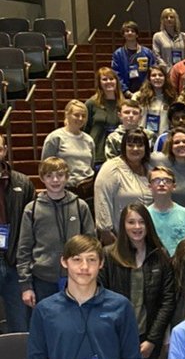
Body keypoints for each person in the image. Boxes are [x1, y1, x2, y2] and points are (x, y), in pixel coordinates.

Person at [99, 203, 175, 359]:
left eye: (141, 221)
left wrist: (152, 339)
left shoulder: (160, 256)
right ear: (123, 225)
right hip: (115, 337)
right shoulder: (108, 256)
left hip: (147, 339)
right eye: (131, 222)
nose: (137, 227)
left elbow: (167, 301)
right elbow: (100, 298)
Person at [17, 157, 94, 308]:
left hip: (77, 277)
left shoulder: (80, 206)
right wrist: (26, 286)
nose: (55, 180)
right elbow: (24, 250)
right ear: (42, 178)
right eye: (49, 176)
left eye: (59, 175)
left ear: (67, 177)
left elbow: (92, 244)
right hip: (43, 279)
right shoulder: (32, 210)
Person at [0, 134, 36, 332]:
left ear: (4, 151)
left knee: (20, 326)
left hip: (13, 261)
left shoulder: (23, 183)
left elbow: (33, 225)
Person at [93, 131, 154, 240]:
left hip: (146, 235)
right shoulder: (112, 168)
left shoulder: (150, 168)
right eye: (130, 145)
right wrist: (105, 231)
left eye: (140, 145)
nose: (135, 149)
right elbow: (102, 199)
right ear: (123, 147)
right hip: (119, 237)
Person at [41, 100, 95, 193]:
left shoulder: (89, 140)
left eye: (84, 116)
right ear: (67, 115)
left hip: (88, 189)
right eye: (76, 115)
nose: (80, 118)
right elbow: (46, 167)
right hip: (64, 189)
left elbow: (91, 164)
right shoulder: (55, 137)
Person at [146, 164, 185, 256]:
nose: (161, 184)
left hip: (180, 265)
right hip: (153, 266)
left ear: (174, 186)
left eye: (167, 181)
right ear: (149, 186)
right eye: (156, 180)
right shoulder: (144, 215)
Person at [111, 21, 157, 93]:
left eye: (132, 31)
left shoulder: (147, 53)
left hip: (145, 92)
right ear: (123, 34)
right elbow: (116, 74)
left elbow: (153, 71)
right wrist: (126, 91)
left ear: (137, 34)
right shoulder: (118, 54)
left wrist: (146, 89)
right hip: (125, 93)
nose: (130, 33)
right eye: (127, 31)